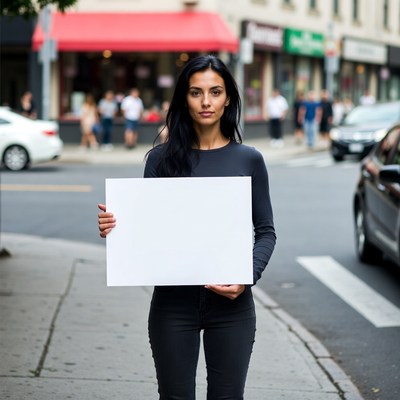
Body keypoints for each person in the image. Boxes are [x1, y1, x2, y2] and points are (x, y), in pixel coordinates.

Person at [98, 55, 276, 399]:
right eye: (196, 92)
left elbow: (266, 231)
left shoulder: (249, 159)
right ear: (183, 98)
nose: (206, 102)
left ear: (228, 98)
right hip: (172, 304)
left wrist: (246, 276)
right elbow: (144, 235)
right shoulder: (160, 160)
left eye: (215, 92)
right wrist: (115, 228)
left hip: (233, 307)